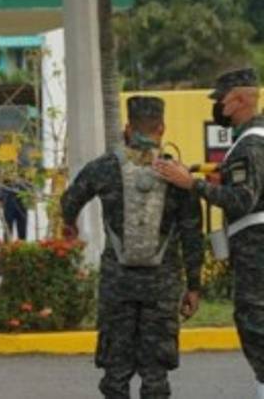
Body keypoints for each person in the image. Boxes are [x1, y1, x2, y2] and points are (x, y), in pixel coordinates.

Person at [64, 95, 203, 399]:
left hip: (118, 284)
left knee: (116, 373)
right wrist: (193, 286)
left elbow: (70, 200)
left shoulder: (103, 168)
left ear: (127, 129)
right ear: (162, 128)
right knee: (156, 375)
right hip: (162, 286)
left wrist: (70, 226)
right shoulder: (178, 176)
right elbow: (193, 235)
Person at [156, 67, 264, 395]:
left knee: (255, 323)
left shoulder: (250, 143)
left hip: (256, 249)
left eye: (223, 101)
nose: (219, 108)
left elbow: (242, 201)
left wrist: (193, 184)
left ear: (241, 99)